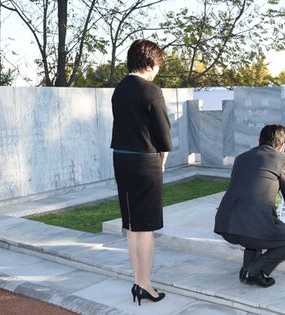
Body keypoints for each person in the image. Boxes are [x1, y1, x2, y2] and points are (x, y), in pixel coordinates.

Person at [111, 39, 172, 305]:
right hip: (145, 162)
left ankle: (138, 281)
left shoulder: (119, 90)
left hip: (121, 160)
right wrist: (163, 160)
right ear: (149, 62)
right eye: (158, 64)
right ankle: (145, 285)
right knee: (144, 228)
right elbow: (163, 137)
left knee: (132, 226)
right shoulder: (151, 90)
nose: (158, 70)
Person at [214, 124, 285, 288]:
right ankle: (255, 269)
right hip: (252, 228)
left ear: (259, 140)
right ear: (281, 145)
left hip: (226, 225)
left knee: (255, 228)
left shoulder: (241, 158)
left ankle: (247, 271)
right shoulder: (284, 160)